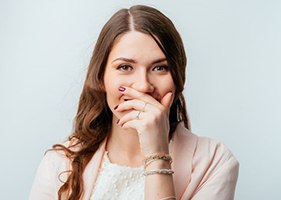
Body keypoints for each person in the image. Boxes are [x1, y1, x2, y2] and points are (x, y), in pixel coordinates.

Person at [29, 4, 239, 200]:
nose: (143, 86)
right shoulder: (59, 163)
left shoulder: (215, 161)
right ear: (101, 77)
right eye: (125, 67)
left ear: (178, 77)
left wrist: (157, 154)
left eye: (160, 68)